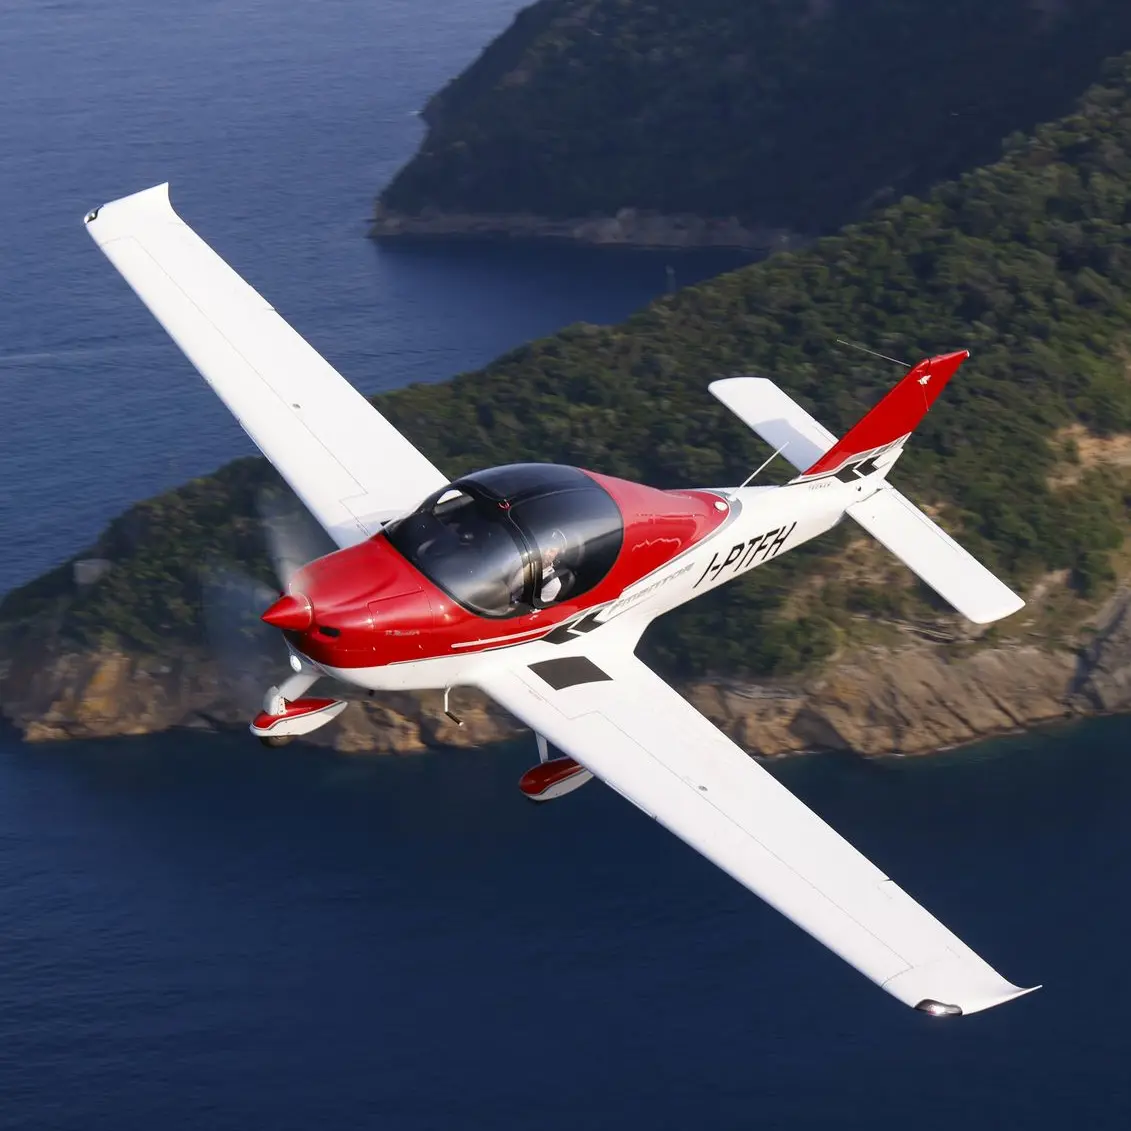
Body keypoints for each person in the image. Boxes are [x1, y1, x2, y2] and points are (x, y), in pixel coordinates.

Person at [538, 529, 573, 603]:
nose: (546, 553)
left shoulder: (552, 584)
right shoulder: (521, 560)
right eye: (545, 547)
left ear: (557, 557)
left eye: (552, 551)